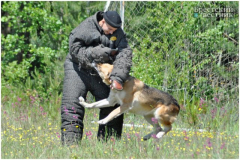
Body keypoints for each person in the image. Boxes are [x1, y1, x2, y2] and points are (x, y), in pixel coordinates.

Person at [61, 11, 132, 145]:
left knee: (114, 106)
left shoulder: (118, 33)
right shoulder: (85, 27)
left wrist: (117, 77)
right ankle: (70, 149)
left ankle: (108, 148)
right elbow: (75, 50)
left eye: (115, 31)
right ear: (103, 21)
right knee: (71, 108)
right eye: (110, 30)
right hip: (77, 68)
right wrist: (98, 53)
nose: (112, 33)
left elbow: (125, 54)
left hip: (103, 73)